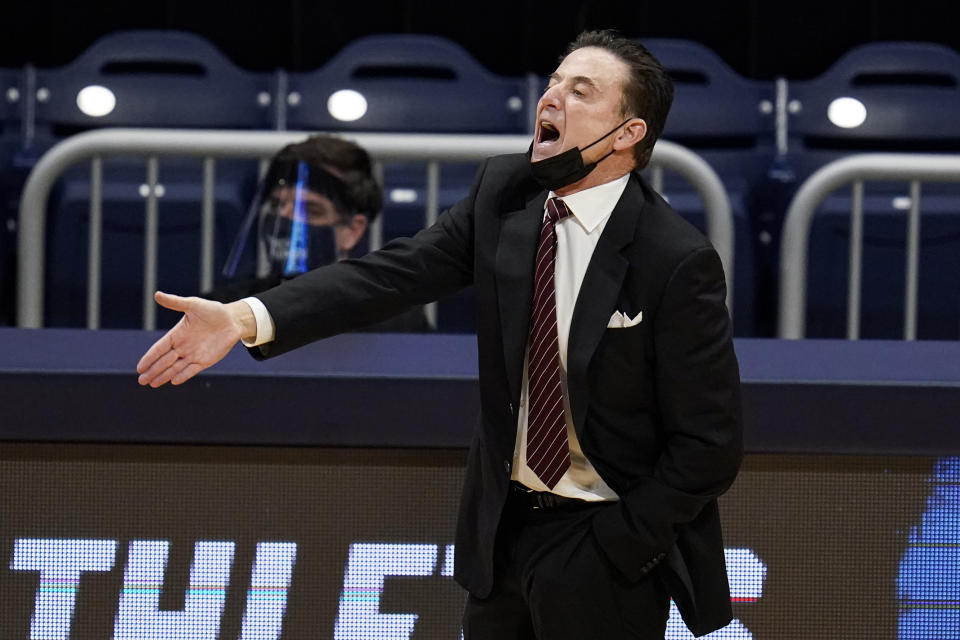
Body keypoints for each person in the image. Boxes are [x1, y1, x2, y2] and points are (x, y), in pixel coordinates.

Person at [137, 29, 742, 640]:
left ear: (628, 134)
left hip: (603, 544)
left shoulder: (675, 258)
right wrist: (242, 316)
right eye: (555, 81)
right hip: (503, 534)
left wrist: (621, 540)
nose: (552, 97)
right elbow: (389, 275)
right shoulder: (503, 198)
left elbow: (709, 444)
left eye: (580, 91)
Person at [205, 133, 430, 333]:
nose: (285, 217)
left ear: (352, 230)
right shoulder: (224, 310)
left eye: (310, 210)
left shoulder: (394, 321)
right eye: (276, 205)